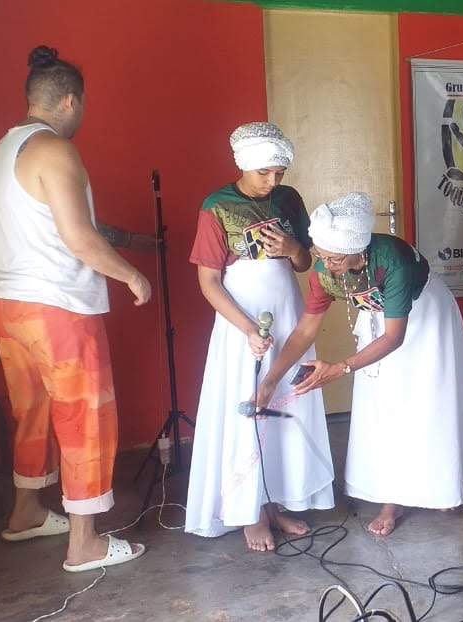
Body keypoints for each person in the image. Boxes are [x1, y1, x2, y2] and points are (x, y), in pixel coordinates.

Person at [0, 46, 151, 571]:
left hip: (5, 303)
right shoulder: (56, 149)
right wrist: (130, 273)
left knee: (32, 411)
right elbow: (78, 238)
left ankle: (26, 513)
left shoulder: (3, 150)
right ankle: (85, 544)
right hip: (57, 306)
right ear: (70, 101)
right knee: (85, 417)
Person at [255, 193, 463, 537]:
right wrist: (271, 379)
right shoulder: (324, 271)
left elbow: (394, 337)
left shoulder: (392, 260)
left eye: (335, 257)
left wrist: (340, 368)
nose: (326, 264)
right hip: (379, 319)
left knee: (429, 401)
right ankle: (392, 499)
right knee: (385, 404)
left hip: (425, 315)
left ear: (359, 249)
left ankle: (440, 485)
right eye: (321, 254)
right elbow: (306, 329)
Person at [183, 122, 335, 552]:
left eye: (279, 173)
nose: (272, 181)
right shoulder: (217, 207)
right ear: (244, 165)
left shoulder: (288, 199)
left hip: (287, 314)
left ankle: (275, 502)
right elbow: (209, 282)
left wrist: (293, 249)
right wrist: (248, 329)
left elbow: (304, 263)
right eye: (264, 172)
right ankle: (249, 512)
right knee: (248, 409)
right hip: (241, 324)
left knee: (287, 406)